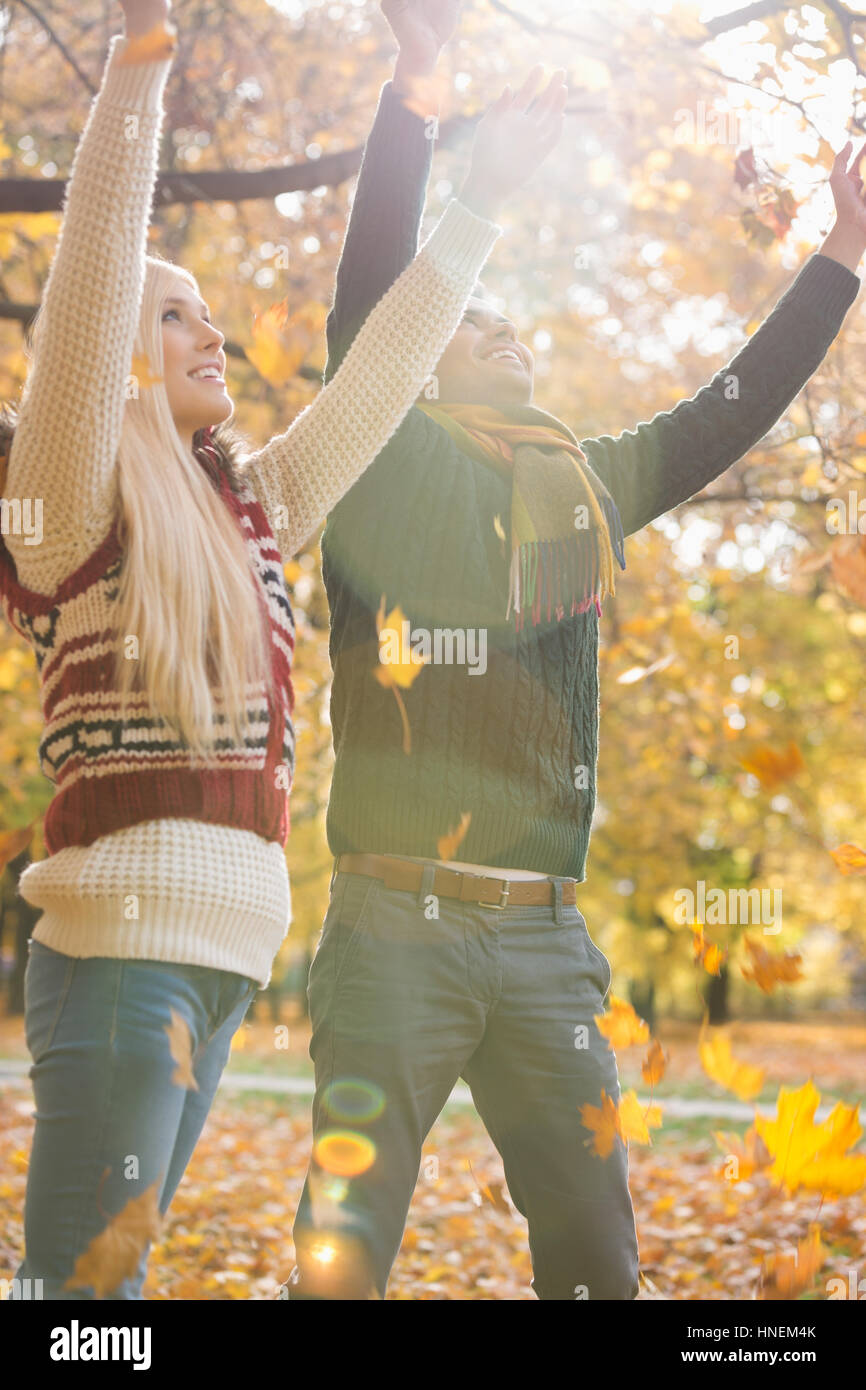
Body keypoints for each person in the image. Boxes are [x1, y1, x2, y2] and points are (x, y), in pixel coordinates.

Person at [285, 0, 866, 1300]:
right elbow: (372, 293)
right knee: (345, 1252)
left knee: (600, 1261)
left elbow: (729, 409)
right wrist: (416, 90)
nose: (499, 331)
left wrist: (839, 251)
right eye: (468, 326)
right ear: (414, 371)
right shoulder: (377, 456)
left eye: (511, 326)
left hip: (545, 938)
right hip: (396, 922)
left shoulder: (586, 485)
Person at [0, 0, 561, 1299]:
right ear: (125, 358)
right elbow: (90, 281)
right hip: (124, 958)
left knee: (95, 1297)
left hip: (230, 965)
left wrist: (475, 196)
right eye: (181, 319)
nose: (216, 339)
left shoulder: (253, 507)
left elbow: (379, 376)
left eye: (213, 317)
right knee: (80, 1308)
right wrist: (142, 59)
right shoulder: (68, 503)